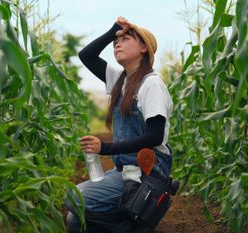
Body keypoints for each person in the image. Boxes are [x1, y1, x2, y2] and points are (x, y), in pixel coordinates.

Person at [66, 17, 173, 233]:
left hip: (149, 169)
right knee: (75, 221)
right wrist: (113, 31)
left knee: (75, 198)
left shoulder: (151, 84)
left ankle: (139, 219)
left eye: (126, 39)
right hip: (125, 168)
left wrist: (106, 148)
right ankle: (132, 216)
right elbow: (86, 55)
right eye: (117, 40)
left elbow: (155, 136)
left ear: (144, 48)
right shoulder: (119, 80)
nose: (117, 43)